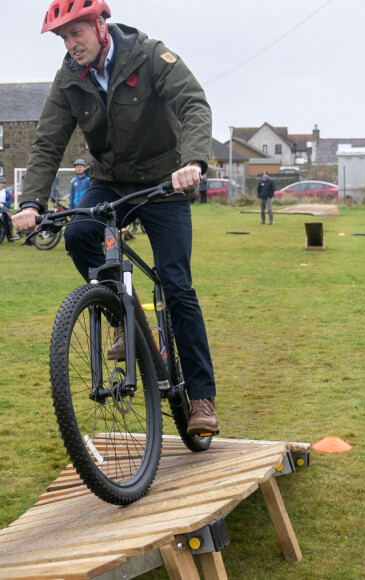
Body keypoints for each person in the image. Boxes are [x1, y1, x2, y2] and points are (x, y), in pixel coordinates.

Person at [11, 0, 218, 435]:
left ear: (100, 25)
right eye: (63, 38)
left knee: (177, 285)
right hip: (111, 180)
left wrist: (193, 161)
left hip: (165, 181)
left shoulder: (149, 55)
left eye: (77, 33)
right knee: (78, 234)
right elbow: (47, 144)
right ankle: (124, 321)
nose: (71, 45)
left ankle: (201, 398)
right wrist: (31, 203)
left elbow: (193, 104)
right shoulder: (69, 79)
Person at [0, 177, 20, 242]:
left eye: (2, 183)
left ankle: (10, 237)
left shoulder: (6, 192)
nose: (0, 184)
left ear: (4, 184)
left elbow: (9, 201)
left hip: (4, 209)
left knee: (7, 223)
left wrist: (6, 206)